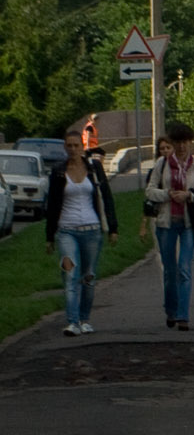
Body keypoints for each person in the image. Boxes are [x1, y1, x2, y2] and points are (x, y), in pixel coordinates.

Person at [45, 129, 118, 337]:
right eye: (69, 145)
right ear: (64, 147)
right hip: (67, 231)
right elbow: (52, 205)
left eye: (77, 145)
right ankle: (72, 322)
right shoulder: (59, 171)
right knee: (70, 275)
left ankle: (85, 319)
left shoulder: (93, 169)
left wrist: (113, 228)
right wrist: (49, 236)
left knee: (88, 276)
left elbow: (107, 197)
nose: (73, 149)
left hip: (92, 231)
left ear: (82, 147)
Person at [144, 122, 194, 329]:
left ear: (190, 143)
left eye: (186, 142)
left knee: (184, 269)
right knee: (170, 271)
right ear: (173, 143)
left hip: (189, 223)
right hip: (166, 222)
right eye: (178, 142)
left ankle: (183, 316)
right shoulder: (162, 165)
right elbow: (149, 191)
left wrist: (189, 195)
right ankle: (170, 310)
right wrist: (168, 194)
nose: (182, 147)